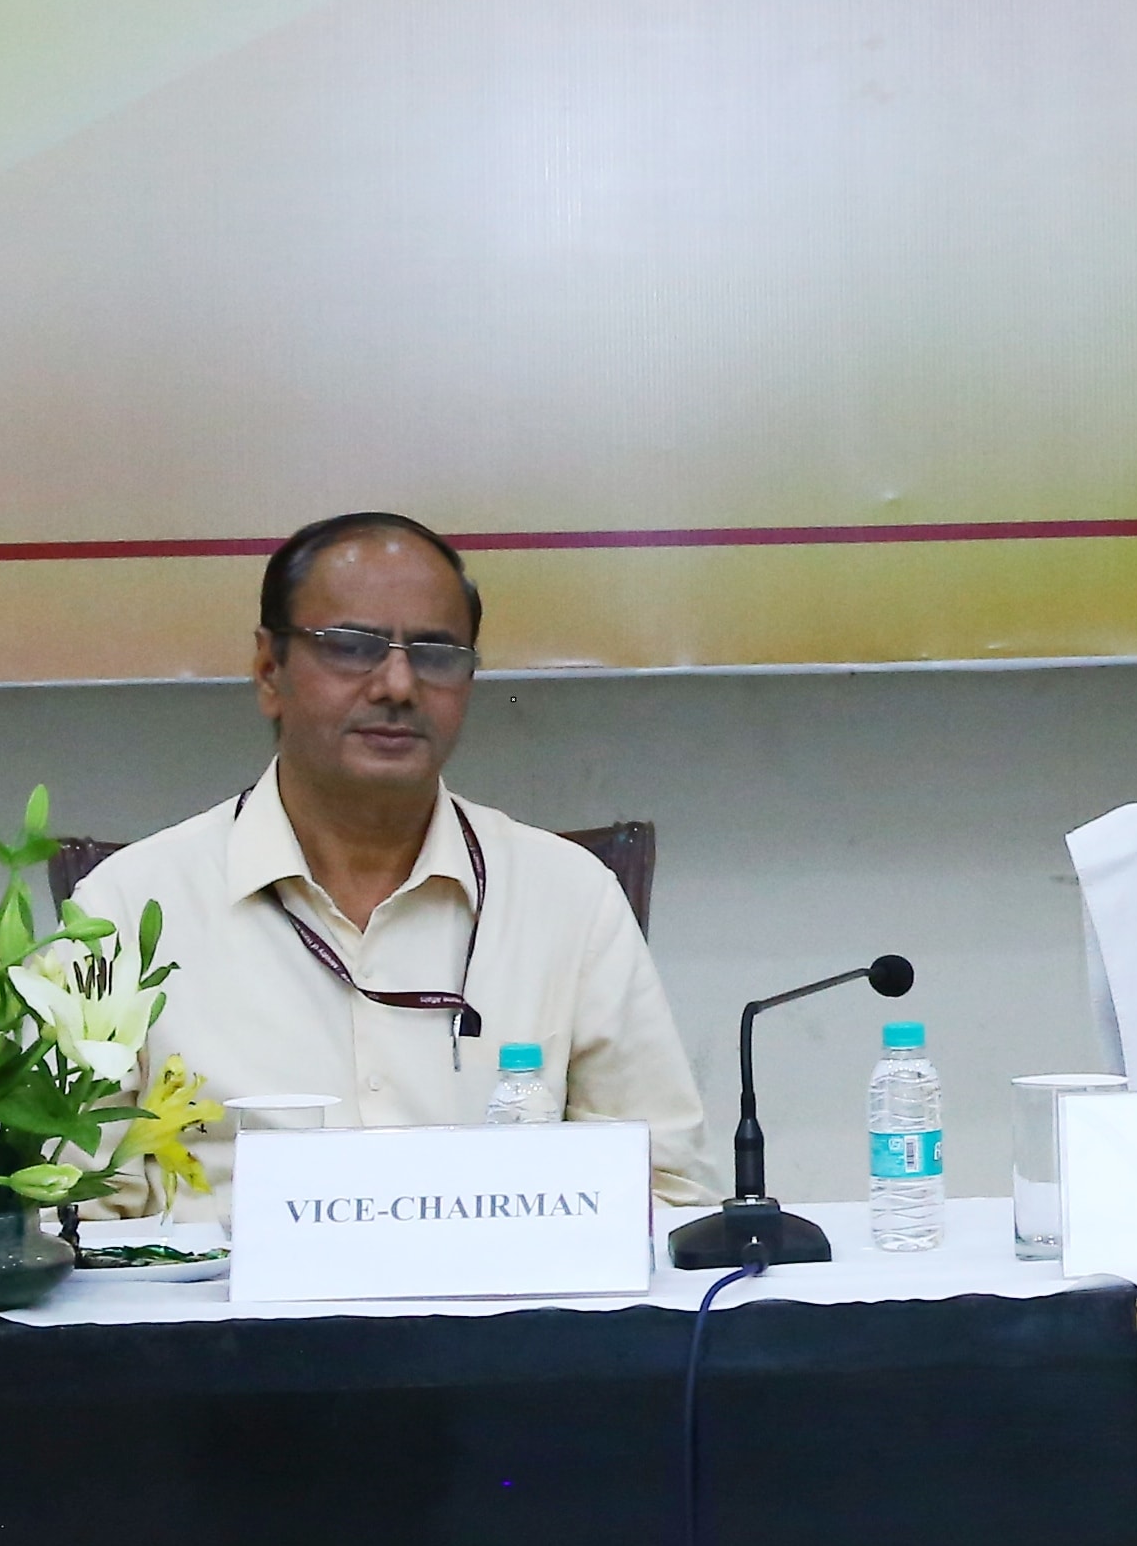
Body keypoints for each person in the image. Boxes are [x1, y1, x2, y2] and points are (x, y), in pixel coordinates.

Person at [74, 513, 712, 1204]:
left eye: (437, 653)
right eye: (352, 648)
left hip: (498, 1279)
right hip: (219, 1278)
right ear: (268, 670)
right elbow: (69, 1211)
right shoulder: (128, 908)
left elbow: (662, 1188)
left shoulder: (569, 898)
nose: (398, 686)